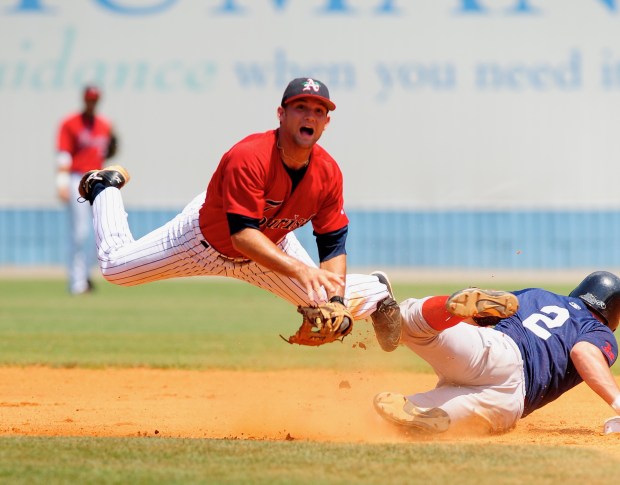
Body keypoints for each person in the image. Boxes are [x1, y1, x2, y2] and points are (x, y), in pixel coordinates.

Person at [75, 77, 401, 350]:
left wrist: (338, 302)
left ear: (326, 122)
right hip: (201, 241)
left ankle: (375, 290)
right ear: (281, 114)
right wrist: (302, 272)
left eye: (318, 111)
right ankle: (105, 187)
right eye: (300, 108)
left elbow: (332, 243)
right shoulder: (248, 157)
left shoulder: (328, 172)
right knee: (114, 268)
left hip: (270, 248)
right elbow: (243, 236)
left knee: (330, 304)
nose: (310, 116)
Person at [374, 270, 620, 434]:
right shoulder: (599, 330)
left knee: (415, 324)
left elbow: (481, 318)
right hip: (509, 402)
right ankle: (426, 413)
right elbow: (584, 352)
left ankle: (411, 312)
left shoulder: (539, 295)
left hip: (496, 351)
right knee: (434, 418)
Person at [56, 85, 118, 295]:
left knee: (101, 231)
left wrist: (114, 141)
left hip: (98, 178)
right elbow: (64, 155)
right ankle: (77, 283)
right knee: (80, 232)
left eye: (95, 99)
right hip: (77, 178)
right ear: (84, 100)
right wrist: (61, 183)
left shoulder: (104, 124)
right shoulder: (70, 123)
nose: (92, 102)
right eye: (89, 99)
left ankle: (86, 276)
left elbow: (106, 152)